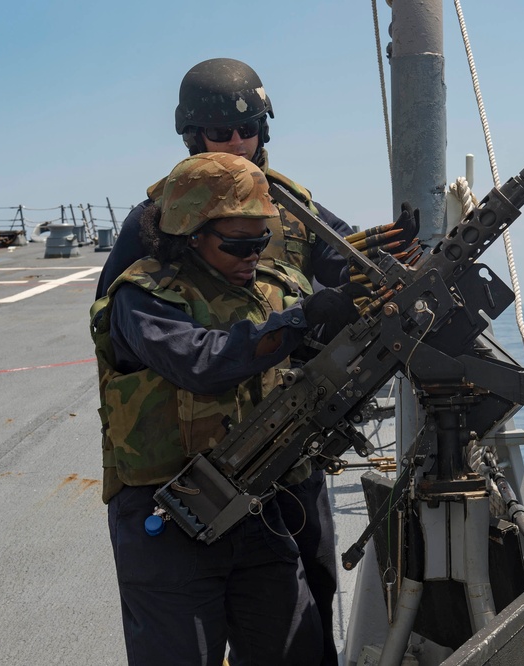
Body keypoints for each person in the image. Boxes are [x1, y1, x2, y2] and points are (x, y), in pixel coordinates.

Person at [95, 57, 416, 666]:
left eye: (247, 131)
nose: (238, 145)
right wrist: (295, 320)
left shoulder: (288, 204)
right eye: (221, 134)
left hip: (277, 469)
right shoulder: (155, 233)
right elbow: (139, 329)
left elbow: (341, 262)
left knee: (303, 619)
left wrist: (392, 267)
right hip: (180, 477)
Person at [92, 152, 363, 665]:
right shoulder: (143, 297)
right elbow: (201, 362)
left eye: (260, 241)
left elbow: (331, 342)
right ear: (189, 234)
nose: (252, 256)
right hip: (168, 519)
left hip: (258, 513)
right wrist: (301, 321)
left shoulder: (273, 288)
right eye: (237, 244)